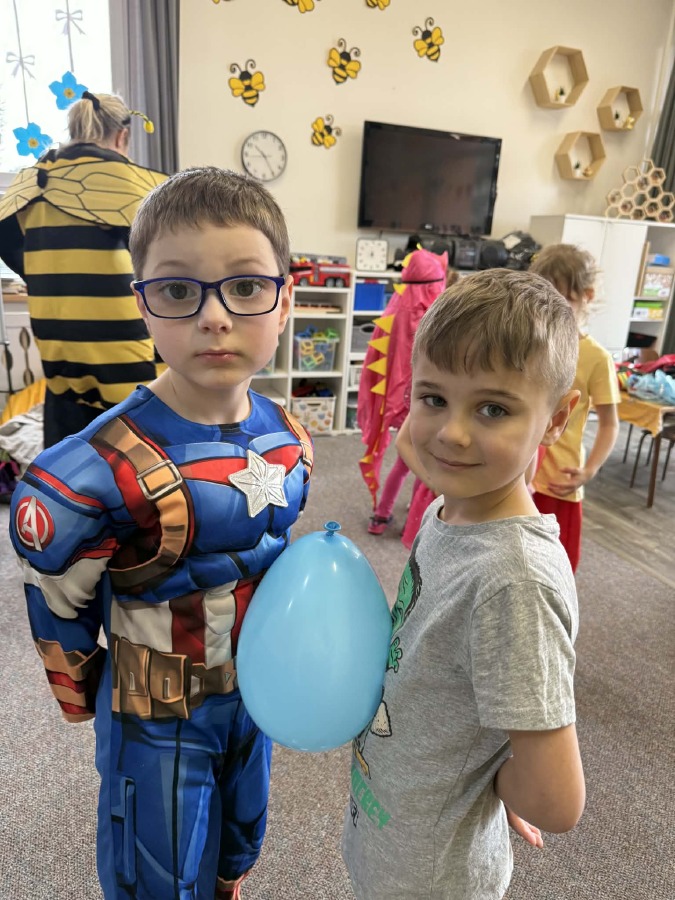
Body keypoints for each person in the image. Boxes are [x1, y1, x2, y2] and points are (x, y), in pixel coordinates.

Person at [9, 166, 313, 899]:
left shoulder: (289, 437)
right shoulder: (87, 470)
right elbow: (57, 603)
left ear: (285, 300)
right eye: (178, 290)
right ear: (141, 302)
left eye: (246, 286)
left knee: (237, 849)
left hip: (256, 695)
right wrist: (84, 697)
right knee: (158, 877)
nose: (215, 317)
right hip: (155, 713)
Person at [342, 269, 586, 900]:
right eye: (433, 398)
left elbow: (556, 801)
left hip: (433, 878)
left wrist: (493, 782)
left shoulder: (513, 582)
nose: (451, 433)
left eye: (493, 408)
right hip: (394, 835)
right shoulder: (446, 509)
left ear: (557, 419)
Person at [0, 91, 168, 448]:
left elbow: (6, 235)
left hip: (61, 360)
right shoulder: (135, 186)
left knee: (66, 462)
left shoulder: (34, 183)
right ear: (122, 136)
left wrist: (45, 277)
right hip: (127, 361)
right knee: (136, 462)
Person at [529, 243, 620, 572]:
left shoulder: (597, 358)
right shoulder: (529, 343)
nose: (552, 309)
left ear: (587, 296)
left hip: (559, 482)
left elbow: (609, 423)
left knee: (557, 567)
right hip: (518, 474)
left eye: (563, 299)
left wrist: (590, 469)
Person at [357, 248, 450, 535]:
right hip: (429, 403)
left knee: (405, 457)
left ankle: (381, 515)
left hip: (399, 401)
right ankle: (412, 516)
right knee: (423, 459)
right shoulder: (435, 316)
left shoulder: (395, 307)